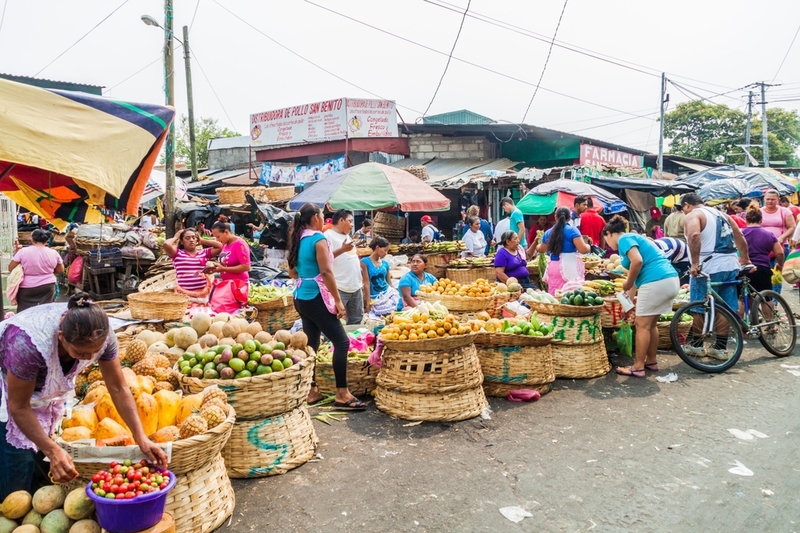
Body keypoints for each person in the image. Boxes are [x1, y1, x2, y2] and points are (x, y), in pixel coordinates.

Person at [0, 293, 168, 498]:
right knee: (15, 460)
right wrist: (53, 451)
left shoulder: (102, 334)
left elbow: (118, 388)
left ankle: (34, 487)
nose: (90, 358)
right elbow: (19, 407)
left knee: (37, 451)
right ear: (61, 337)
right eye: (81, 354)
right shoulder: (27, 344)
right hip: (8, 386)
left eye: (95, 352)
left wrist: (141, 437)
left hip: (40, 387)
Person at [287, 203, 366, 410]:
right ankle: (342, 393)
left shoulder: (299, 238)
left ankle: (311, 390)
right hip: (316, 296)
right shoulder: (318, 238)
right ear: (315, 218)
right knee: (341, 342)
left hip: (301, 296)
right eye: (322, 216)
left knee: (311, 343)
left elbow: (293, 273)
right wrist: (338, 301)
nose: (324, 220)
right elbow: (326, 272)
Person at [602, 217, 680, 378]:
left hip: (656, 280)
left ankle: (638, 367)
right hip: (669, 280)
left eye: (606, 239)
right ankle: (651, 361)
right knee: (650, 324)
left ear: (609, 234)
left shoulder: (624, 238)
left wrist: (626, 283)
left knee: (642, 325)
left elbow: (637, 262)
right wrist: (628, 305)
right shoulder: (635, 238)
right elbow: (636, 279)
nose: (608, 244)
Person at [681, 193, 751, 359]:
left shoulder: (694, 215)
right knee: (725, 307)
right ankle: (720, 348)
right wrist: (745, 259)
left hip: (707, 268)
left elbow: (694, 235)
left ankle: (697, 346)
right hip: (729, 265)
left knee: (699, 306)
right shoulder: (723, 214)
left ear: (686, 205)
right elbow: (739, 236)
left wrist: (695, 263)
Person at [537, 206, 591, 295]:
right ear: (569, 218)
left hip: (553, 268)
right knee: (571, 297)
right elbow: (583, 249)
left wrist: (537, 246)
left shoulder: (548, 232)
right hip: (569, 267)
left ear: (555, 217)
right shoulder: (573, 230)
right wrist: (588, 246)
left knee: (555, 297)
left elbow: (542, 249)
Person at [324, 210, 364, 326]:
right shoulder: (327, 236)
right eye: (350, 221)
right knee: (333, 320)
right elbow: (325, 260)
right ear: (341, 220)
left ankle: (353, 343)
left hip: (355, 286)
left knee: (356, 319)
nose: (352, 224)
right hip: (339, 286)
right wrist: (342, 250)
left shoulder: (347, 236)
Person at [8, 229, 64, 313]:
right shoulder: (53, 253)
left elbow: (11, 268)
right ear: (46, 240)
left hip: (27, 287)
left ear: (32, 239)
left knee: (24, 312)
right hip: (47, 286)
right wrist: (46, 272)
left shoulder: (23, 251)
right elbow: (60, 270)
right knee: (45, 310)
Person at [163, 227, 222, 304]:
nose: (191, 240)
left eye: (193, 238)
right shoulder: (177, 253)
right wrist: (176, 237)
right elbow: (166, 244)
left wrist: (202, 240)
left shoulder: (203, 253)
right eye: (187, 238)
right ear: (181, 241)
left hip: (203, 294)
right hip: (184, 296)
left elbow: (220, 246)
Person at [207, 221, 251, 312]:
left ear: (226, 232)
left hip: (239, 287)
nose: (217, 240)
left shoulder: (239, 244)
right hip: (228, 285)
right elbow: (226, 263)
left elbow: (246, 267)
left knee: (236, 314)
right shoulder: (225, 244)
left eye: (218, 236)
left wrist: (223, 269)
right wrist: (216, 268)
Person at [742, 205, 783, 292]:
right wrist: (780, 264)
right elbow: (780, 253)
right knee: (766, 298)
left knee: (743, 298)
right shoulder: (769, 234)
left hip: (744, 269)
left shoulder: (740, 233)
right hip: (763, 268)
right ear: (761, 220)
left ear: (746, 220)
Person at [360, 237, 399, 316]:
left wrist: (396, 292)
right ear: (377, 247)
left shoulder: (385, 263)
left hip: (388, 293)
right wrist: (368, 301)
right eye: (385, 250)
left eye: (387, 251)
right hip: (375, 296)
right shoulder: (365, 262)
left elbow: (389, 282)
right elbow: (366, 283)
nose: (386, 253)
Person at [761, 189, 795, 264]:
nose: (770, 201)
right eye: (768, 199)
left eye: (773, 199)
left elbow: (792, 227)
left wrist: (781, 238)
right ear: (764, 199)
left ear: (778, 200)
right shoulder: (759, 212)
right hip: (763, 246)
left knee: (781, 268)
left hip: (781, 244)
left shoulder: (785, 211)